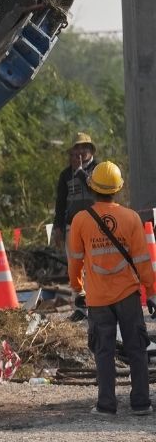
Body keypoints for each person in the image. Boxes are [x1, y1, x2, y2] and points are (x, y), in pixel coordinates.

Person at [67, 161, 156, 416]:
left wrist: (77, 289)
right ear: (118, 189)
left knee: (103, 351)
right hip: (128, 293)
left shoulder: (81, 220)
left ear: (92, 187)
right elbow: (142, 260)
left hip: (97, 298)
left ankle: (106, 405)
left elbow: (75, 260)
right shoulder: (131, 218)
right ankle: (141, 403)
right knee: (136, 348)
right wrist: (151, 291)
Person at [53, 132, 99, 246]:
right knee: (74, 262)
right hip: (73, 226)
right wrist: (58, 226)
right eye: (77, 148)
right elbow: (61, 202)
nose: (80, 151)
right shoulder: (66, 174)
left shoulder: (99, 168)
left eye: (84, 147)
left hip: (96, 224)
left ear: (91, 150)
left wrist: (79, 171)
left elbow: (95, 189)